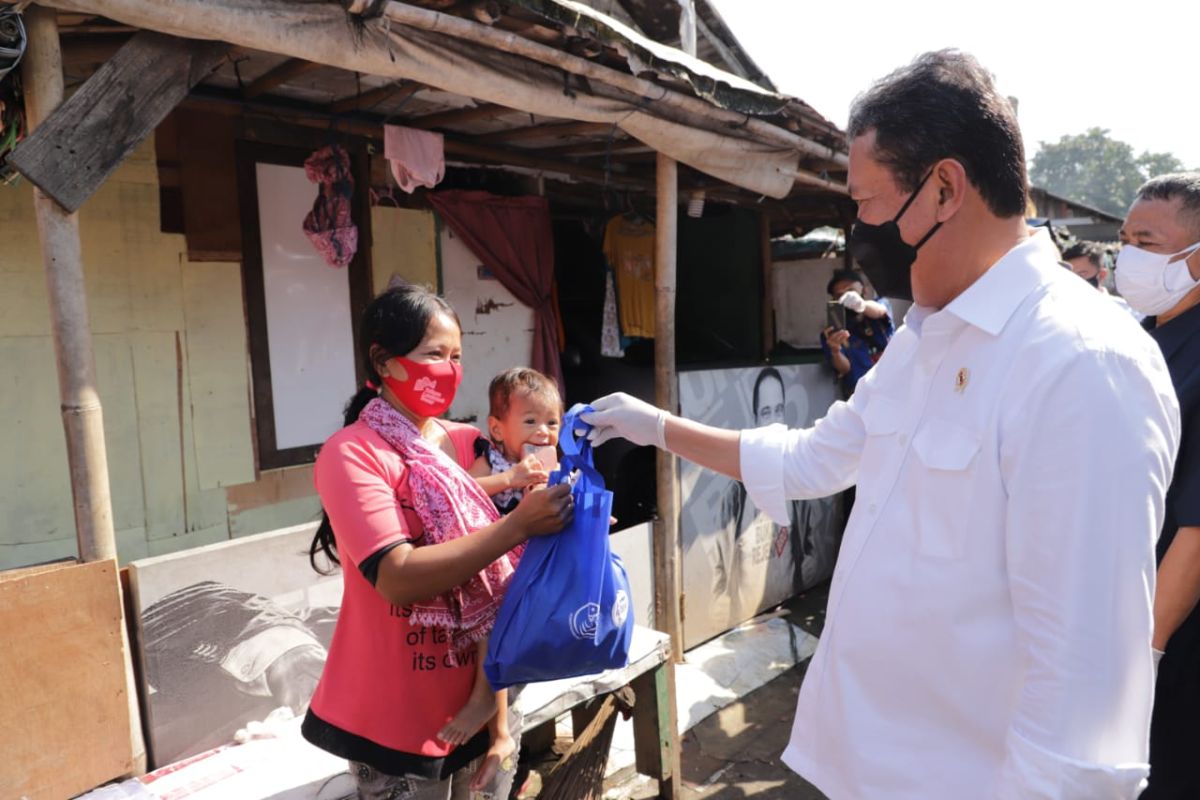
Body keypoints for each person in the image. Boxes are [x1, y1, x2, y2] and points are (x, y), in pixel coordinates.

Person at [583, 50, 1179, 799]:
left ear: (944, 188)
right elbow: (810, 461)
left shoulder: (1080, 362)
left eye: (865, 202)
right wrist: (659, 428)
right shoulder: (925, 340)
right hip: (858, 761)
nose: (857, 229)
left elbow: (1087, 690)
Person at [302, 284, 574, 800]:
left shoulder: (471, 442)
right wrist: (517, 527)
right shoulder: (353, 454)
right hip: (396, 708)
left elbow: (537, 473)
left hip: (485, 695)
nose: (448, 369)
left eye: (456, 356)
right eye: (433, 354)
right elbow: (398, 577)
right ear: (384, 360)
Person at [1116, 172, 1200, 799]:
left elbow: (1196, 531)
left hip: (1170, 632)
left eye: (1146, 241)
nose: (1128, 255)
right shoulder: (1143, 337)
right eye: (1124, 239)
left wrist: (1144, 656)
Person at [709, 368, 837, 627]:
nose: (774, 421)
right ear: (755, 418)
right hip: (742, 625)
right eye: (766, 412)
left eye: (779, 410)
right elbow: (717, 577)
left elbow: (811, 552)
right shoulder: (734, 496)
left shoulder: (798, 483)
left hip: (789, 612)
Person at [470, 367, 562, 516]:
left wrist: (586, 510)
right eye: (530, 421)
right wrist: (510, 478)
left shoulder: (556, 469)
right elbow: (463, 488)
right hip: (502, 536)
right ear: (497, 430)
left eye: (552, 423)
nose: (544, 432)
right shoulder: (493, 463)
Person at [819, 268, 894, 397]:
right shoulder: (833, 331)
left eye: (850, 291)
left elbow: (880, 311)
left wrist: (862, 305)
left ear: (864, 289)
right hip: (860, 396)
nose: (846, 297)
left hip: (892, 386)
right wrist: (835, 350)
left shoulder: (879, 304)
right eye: (839, 295)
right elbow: (844, 369)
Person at [1062, 239, 1142, 319]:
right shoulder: (1059, 313)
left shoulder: (1129, 313)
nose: (1074, 280)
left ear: (1101, 275)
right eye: (1069, 274)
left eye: (1081, 275)